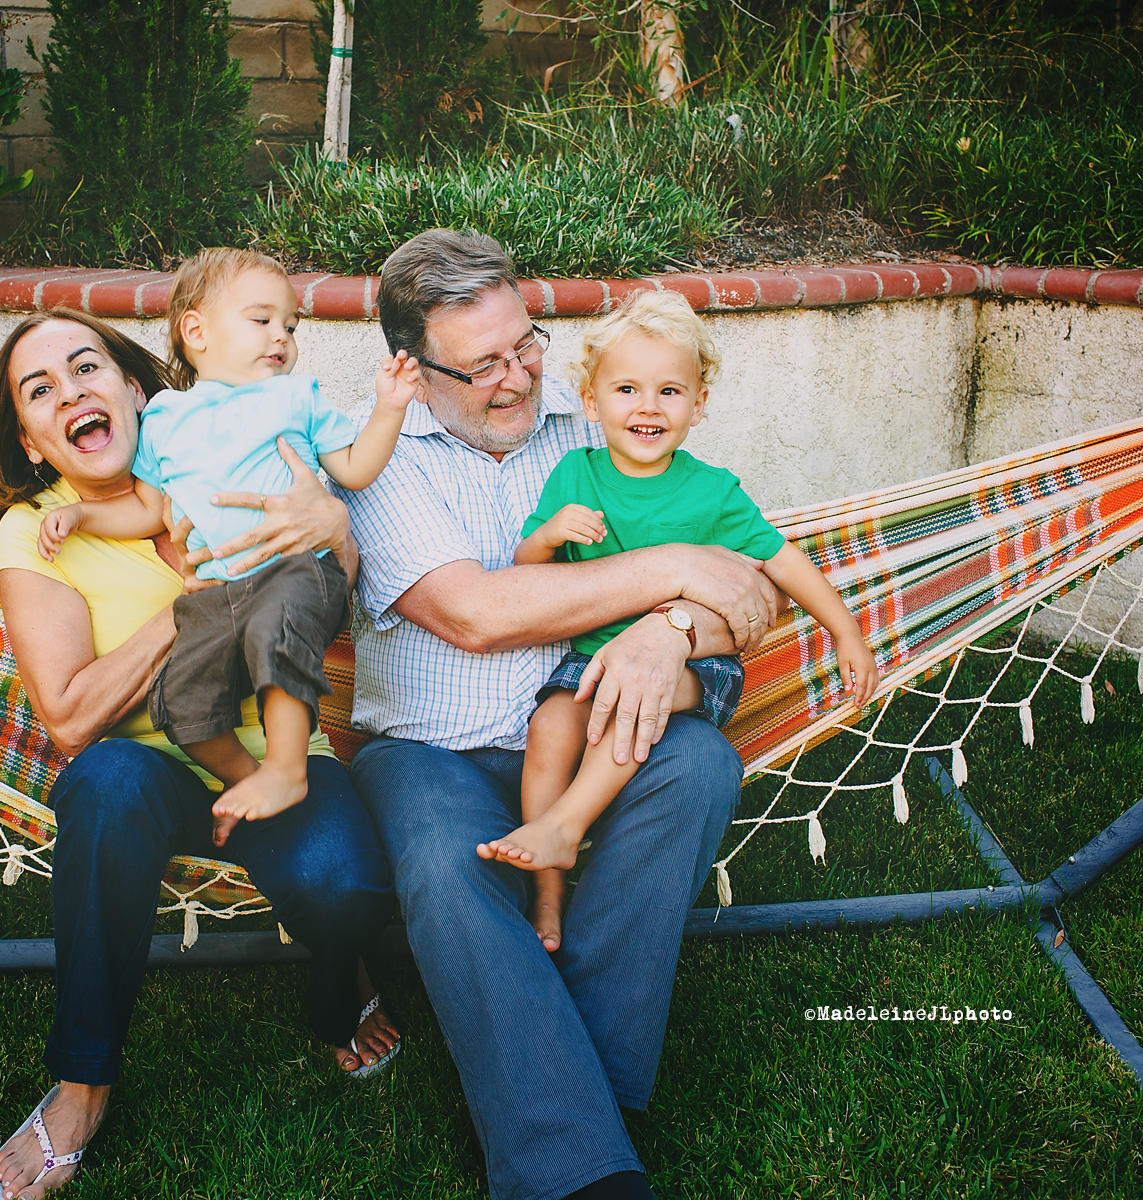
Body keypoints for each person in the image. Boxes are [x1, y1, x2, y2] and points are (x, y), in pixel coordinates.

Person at [333, 230, 784, 1200]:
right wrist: (671, 571)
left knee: (700, 766)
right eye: (484, 362)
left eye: (524, 343)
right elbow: (474, 613)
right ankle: (582, 1169)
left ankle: (578, 1106)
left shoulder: (599, 420)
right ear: (411, 369)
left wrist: (670, 629)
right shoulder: (376, 459)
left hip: (593, 736)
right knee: (446, 865)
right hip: (431, 750)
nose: (516, 376)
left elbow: (750, 594)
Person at [0, 308, 400, 1200]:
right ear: (30, 438)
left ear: (136, 390)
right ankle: (83, 1083)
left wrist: (333, 521)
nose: (72, 394)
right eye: (41, 391)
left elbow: (340, 589)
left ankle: (338, 981)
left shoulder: (240, 447)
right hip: (150, 774)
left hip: (275, 749)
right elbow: (69, 716)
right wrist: (190, 603)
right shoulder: (40, 527)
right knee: (103, 782)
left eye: (88, 369)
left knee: (346, 884)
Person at [480, 290, 880, 952]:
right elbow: (525, 570)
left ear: (697, 406)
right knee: (551, 722)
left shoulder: (713, 491)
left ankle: (566, 823)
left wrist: (846, 632)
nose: (647, 406)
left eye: (669, 391)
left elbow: (785, 564)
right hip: (592, 657)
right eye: (627, 388)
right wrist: (549, 534)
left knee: (638, 694)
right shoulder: (574, 477)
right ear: (591, 403)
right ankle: (547, 894)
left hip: (697, 667)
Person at [39, 250, 422, 839]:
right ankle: (249, 779)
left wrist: (390, 409)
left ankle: (290, 770)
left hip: (295, 572)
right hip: (219, 593)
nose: (282, 337)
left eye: (290, 326)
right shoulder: (165, 418)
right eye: (261, 320)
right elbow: (147, 509)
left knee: (279, 631)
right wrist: (83, 515)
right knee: (182, 699)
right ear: (196, 331)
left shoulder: (295, 398)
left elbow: (354, 468)